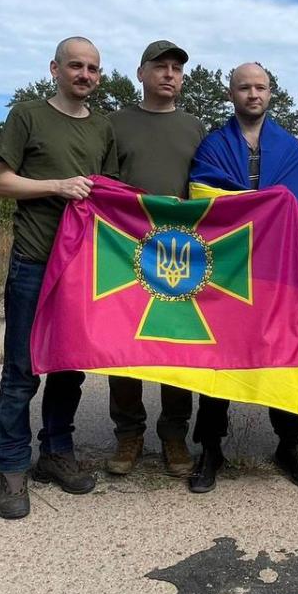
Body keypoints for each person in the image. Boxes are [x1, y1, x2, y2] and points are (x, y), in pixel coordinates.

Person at [0, 37, 119, 518]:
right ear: (55, 69)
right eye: (76, 66)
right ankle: (12, 466)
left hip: (83, 268)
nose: (85, 75)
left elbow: (111, 194)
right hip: (34, 261)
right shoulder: (28, 116)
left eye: (93, 69)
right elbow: (0, 182)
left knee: (68, 366)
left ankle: (56, 454)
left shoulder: (103, 129)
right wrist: (56, 187)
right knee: (21, 370)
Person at [185, 63, 298, 492]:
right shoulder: (213, 145)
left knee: (283, 351)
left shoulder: (289, 147)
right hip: (228, 268)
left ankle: (288, 442)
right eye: (245, 87)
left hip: (278, 268)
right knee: (219, 358)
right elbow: (202, 198)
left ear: (271, 93)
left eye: (260, 87)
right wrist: (259, 205)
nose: (253, 94)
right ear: (231, 93)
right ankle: (210, 447)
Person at [105, 41, 206, 478]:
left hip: (178, 254)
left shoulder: (195, 127)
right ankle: (128, 435)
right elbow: (103, 184)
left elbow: (207, 188)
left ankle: (174, 436)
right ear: (140, 73)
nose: (169, 74)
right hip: (124, 251)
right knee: (122, 347)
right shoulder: (113, 124)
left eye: (176, 69)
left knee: (173, 347)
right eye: (160, 67)